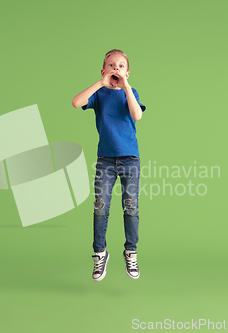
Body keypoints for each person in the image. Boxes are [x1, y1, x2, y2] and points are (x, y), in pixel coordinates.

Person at [72, 49, 146, 281]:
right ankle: (99, 253)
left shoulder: (129, 92)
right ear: (104, 70)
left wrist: (125, 86)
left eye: (121, 65)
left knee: (130, 206)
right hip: (105, 159)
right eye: (111, 65)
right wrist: (100, 83)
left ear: (127, 72)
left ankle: (131, 251)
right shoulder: (100, 94)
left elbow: (137, 115)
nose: (116, 68)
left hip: (129, 159)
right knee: (100, 207)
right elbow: (76, 102)